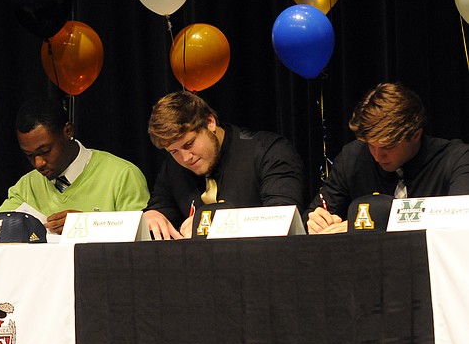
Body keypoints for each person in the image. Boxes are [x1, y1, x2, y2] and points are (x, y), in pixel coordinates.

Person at [0, 97, 150, 244]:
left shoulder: (121, 175)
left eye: (45, 151)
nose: (38, 163)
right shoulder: (27, 185)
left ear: (68, 131)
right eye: (29, 155)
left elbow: (142, 236)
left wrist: (85, 226)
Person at [306, 82, 469, 234]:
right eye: (371, 145)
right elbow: (312, 215)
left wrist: (365, 225)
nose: (377, 156)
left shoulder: (455, 159)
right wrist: (316, 221)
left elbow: (462, 219)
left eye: (388, 147)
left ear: (416, 135)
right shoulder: (352, 158)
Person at [143, 90, 306, 240]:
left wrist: (209, 219)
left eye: (189, 144)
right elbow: (161, 208)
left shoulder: (269, 151)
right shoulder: (173, 167)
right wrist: (153, 216)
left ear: (210, 122)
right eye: (173, 151)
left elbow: (282, 219)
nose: (185, 158)